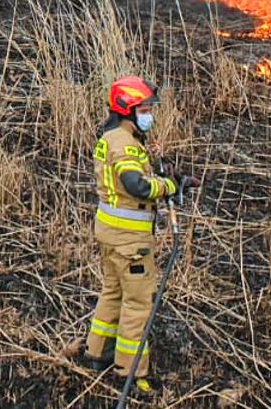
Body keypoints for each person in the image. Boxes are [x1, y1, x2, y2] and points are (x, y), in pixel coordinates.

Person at [78, 75, 192, 396]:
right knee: (138, 304)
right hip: (130, 241)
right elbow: (136, 185)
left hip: (110, 233)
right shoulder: (125, 143)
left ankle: (96, 352)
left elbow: (129, 178)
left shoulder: (112, 136)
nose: (149, 114)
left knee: (112, 291)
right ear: (128, 108)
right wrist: (168, 186)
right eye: (144, 108)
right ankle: (133, 373)